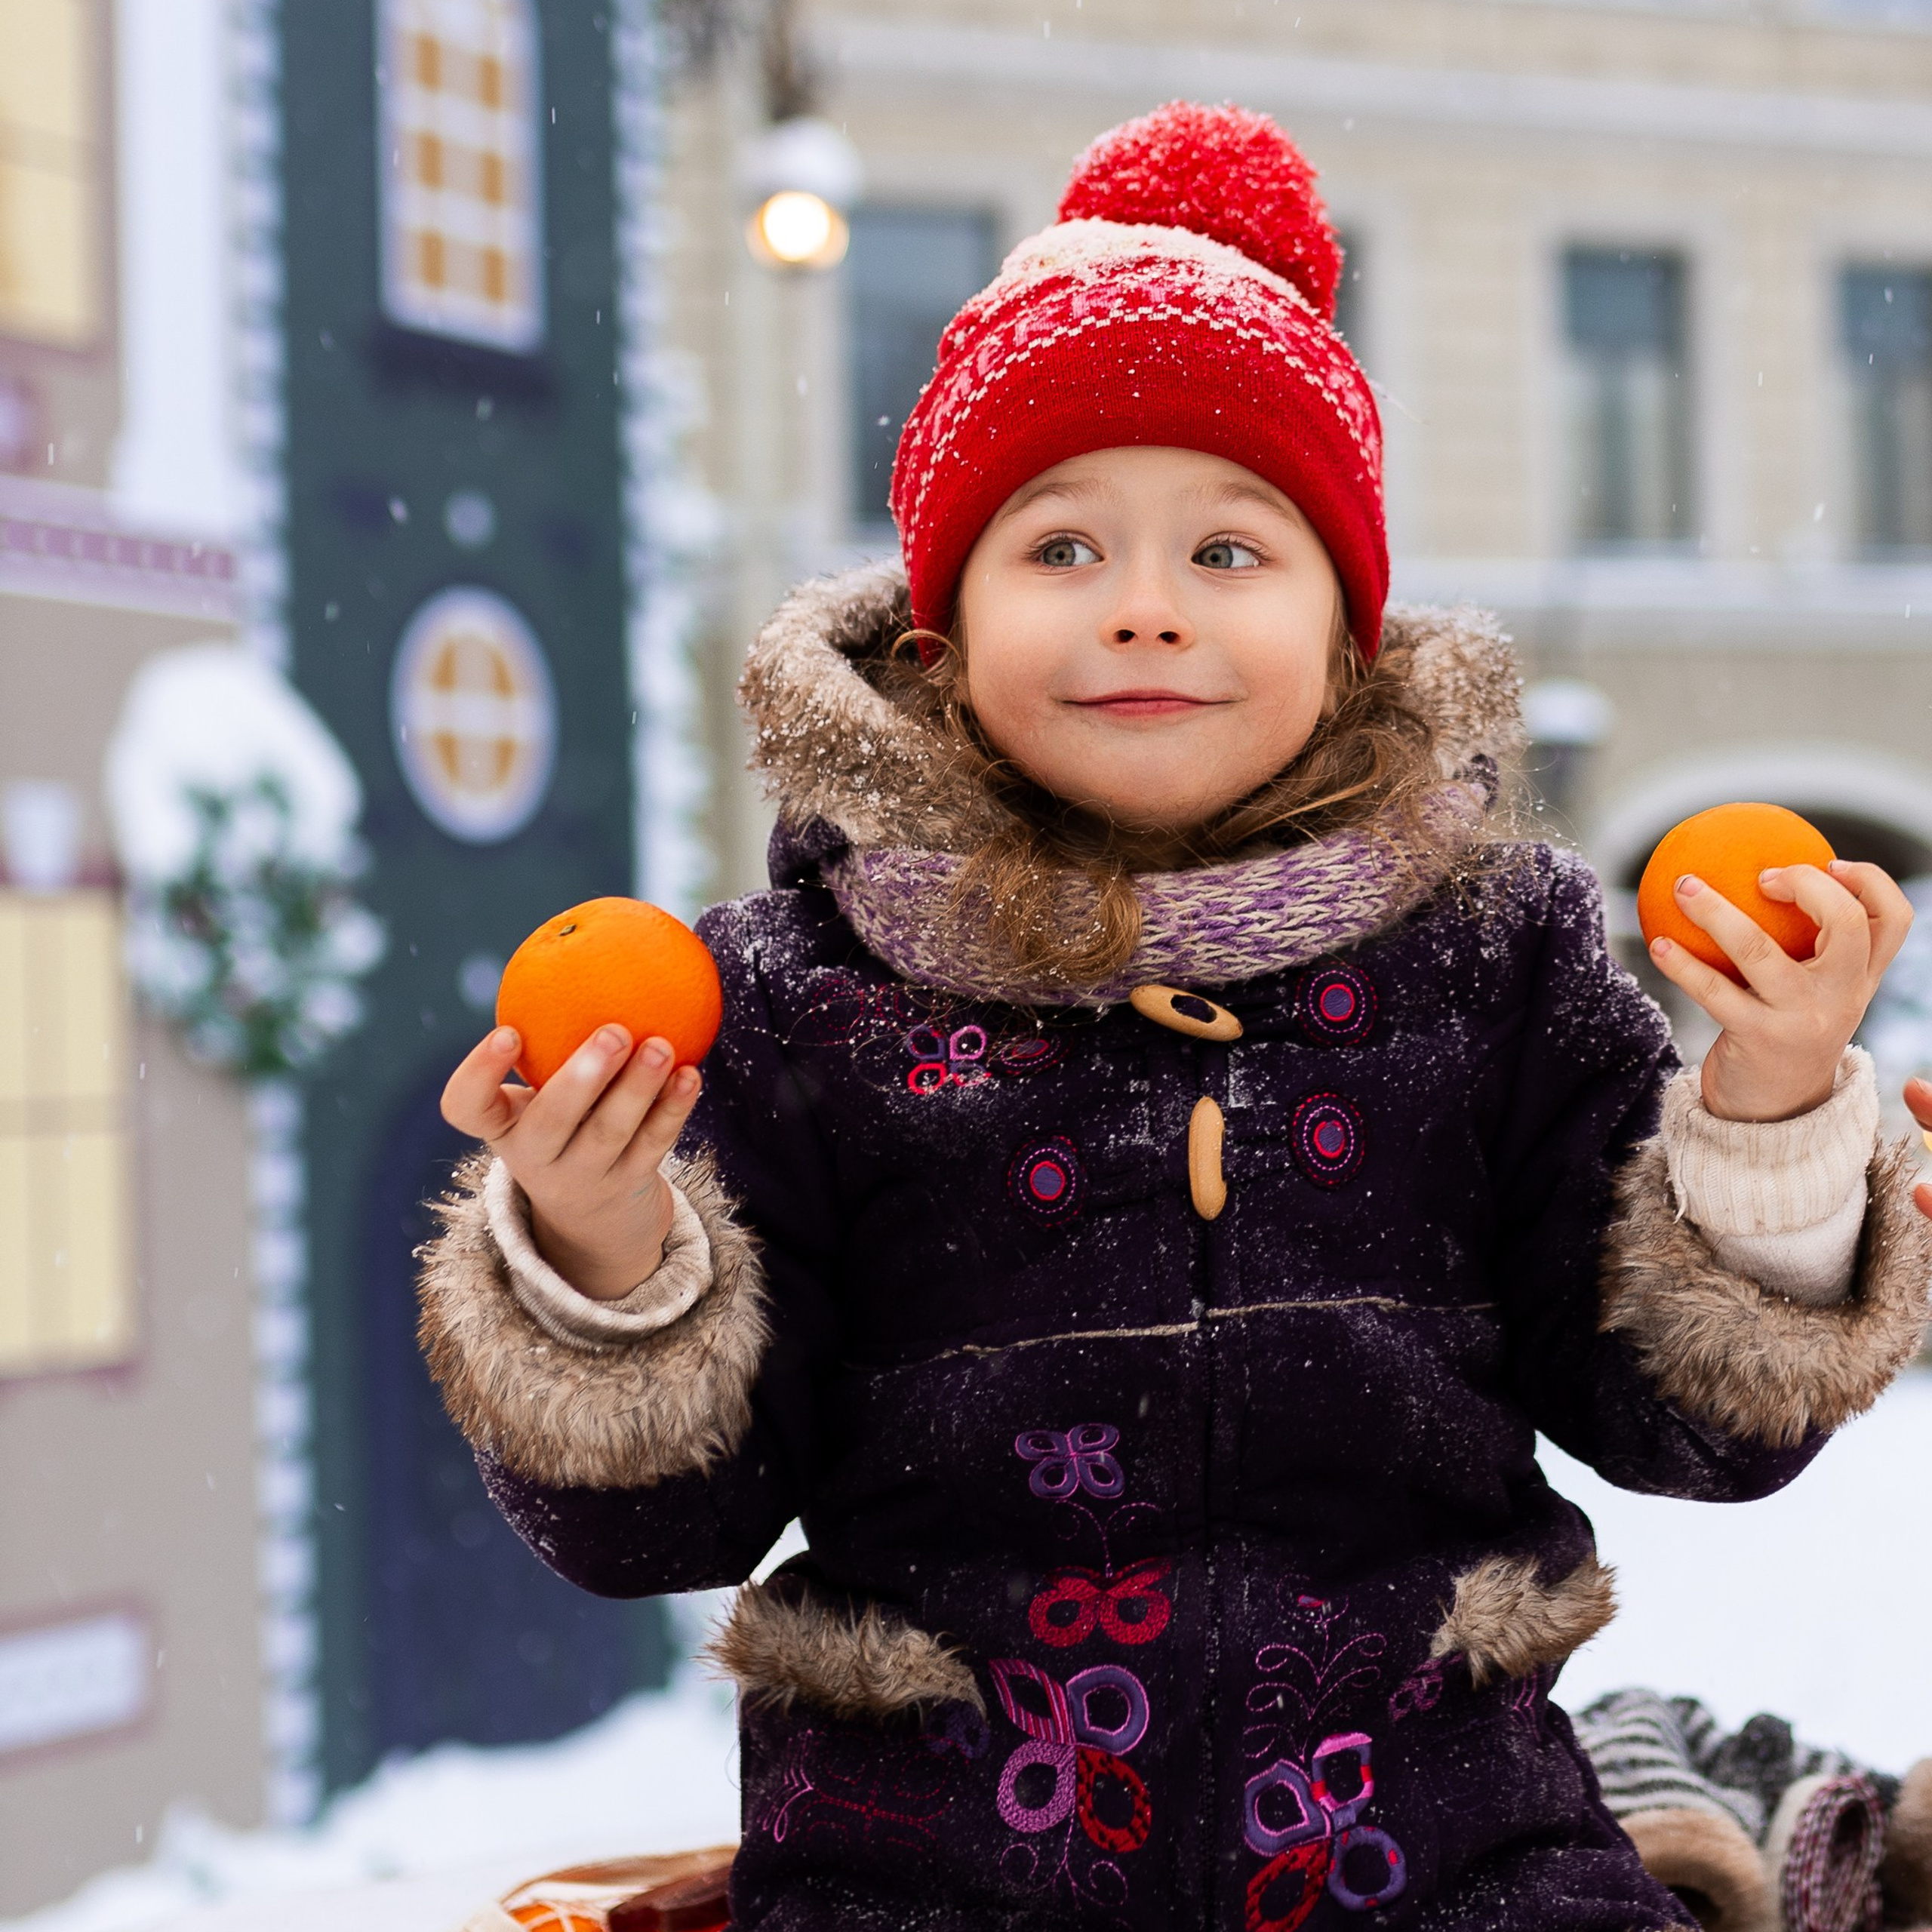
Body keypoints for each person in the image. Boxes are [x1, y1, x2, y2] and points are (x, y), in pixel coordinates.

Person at [422, 103, 1931, 1932]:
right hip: (926, 1871)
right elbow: (653, 1531)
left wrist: (1768, 1108)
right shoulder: (792, 994)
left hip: (1453, 1857)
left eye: (1230, 550)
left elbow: (1691, 1429)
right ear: (938, 628)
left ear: (1347, 627)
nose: (1143, 610)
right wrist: (595, 1245)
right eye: (1057, 548)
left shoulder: (1494, 951)